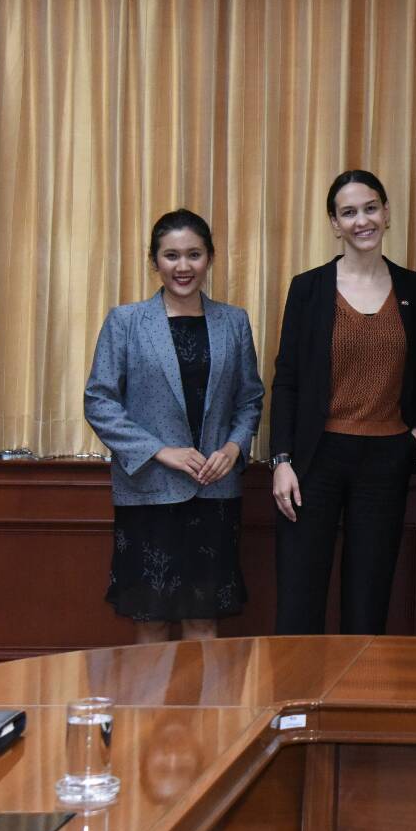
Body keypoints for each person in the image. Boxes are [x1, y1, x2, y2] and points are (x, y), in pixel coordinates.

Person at [85, 209, 264, 643]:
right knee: (152, 619)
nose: (183, 267)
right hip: (149, 491)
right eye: (171, 256)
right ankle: (152, 715)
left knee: (205, 619)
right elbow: (99, 400)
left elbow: (250, 398)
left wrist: (234, 449)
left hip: (214, 490)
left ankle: (213, 715)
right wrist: (161, 451)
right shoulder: (125, 321)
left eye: (194, 255)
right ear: (155, 261)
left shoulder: (234, 321)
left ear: (210, 258)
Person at [269, 171, 416, 635]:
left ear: (386, 213)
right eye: (348, 212)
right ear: (333, 223)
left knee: (368, 601)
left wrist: (413, 436)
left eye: (370, 208)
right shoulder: (309, 288)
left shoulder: (414, 288)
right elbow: (287, 380)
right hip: (313, 460)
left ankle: (354, 703)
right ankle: (296, 705)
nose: (362, 220)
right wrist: (281, 459)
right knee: (300, 599)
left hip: (385, 462)